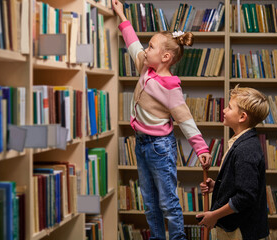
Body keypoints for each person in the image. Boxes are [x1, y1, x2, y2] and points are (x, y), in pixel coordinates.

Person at [112, 0, 212, 239]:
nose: (146, 50)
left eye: (152, 46)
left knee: (167, 202)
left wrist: (201, 149)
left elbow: (185, 119)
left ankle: (177, 238)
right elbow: (133, 45)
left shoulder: (170, 87)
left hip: (160, 148)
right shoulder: (145, 67)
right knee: (149, 201)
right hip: (142, 144)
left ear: (165, 56)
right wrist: (122, 16)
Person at [196, 85, 270, 239]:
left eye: (229, 107)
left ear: (242, 117)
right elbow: (241, 185)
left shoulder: (246, 149)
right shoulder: (241, 142)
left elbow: (246, 196)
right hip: (235, 227)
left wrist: (214, 215)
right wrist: (218, 186)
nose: (223, 110)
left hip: (240, 230)